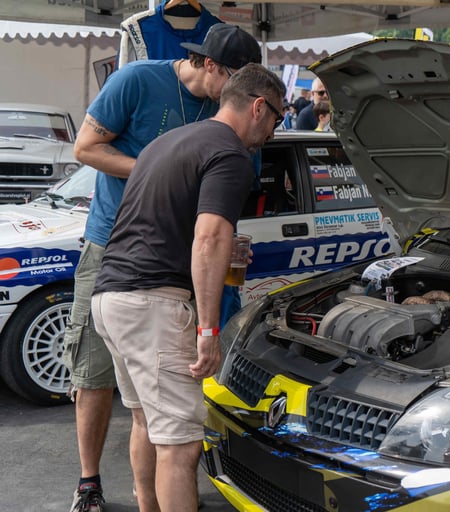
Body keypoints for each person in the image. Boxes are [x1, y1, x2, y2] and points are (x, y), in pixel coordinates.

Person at [64, 23, 261, 512]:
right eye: (236, 78)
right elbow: (85, 148)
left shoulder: (225, 114)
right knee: (95, 373)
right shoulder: (137, 79)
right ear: (210, 65)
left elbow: (213, 219)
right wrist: (161, 168)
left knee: (149, 409)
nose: (238, 93)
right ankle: (89, 482)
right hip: (111, 243)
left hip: (175, 256)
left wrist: (224, 243)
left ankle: (152, 501)